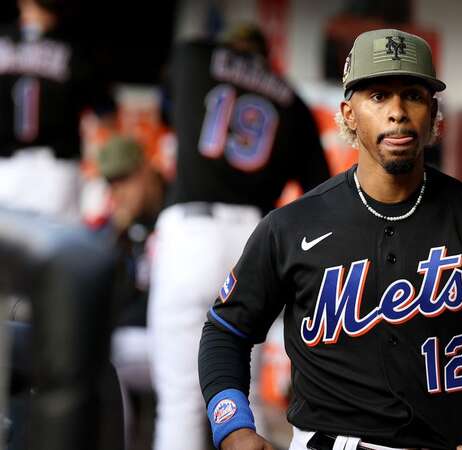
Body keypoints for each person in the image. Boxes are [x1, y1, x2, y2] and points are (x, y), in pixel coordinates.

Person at [198, 28, 462, 450]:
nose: (398, 112)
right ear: (349, 113)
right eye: (378, 96)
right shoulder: (292, 227)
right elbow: (226, 331)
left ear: (433, 111)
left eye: (413, 95)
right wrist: (233, 427)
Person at [148, 24, 331, 450]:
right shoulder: (292, 99)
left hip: (191, 232)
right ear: (266, 58)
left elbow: (166, 111)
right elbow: (322, 194)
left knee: (180, 405)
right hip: (253, 241)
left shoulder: (193, 55)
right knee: (237, 404)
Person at [0, 0, 113, 220]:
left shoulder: (75, 47)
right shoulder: (74, 46)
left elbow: (105, 112)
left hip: (51, 170)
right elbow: (106, 113)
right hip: (33, 171)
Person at [94, 135, 165, 449]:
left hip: (178, 339)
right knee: (100, 356)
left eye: (125, 180)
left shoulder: (177, 210)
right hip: (134, 345)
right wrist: (115, 239)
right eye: (112, 184)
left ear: (145, 171)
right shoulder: (116, 231)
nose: (118, 192)